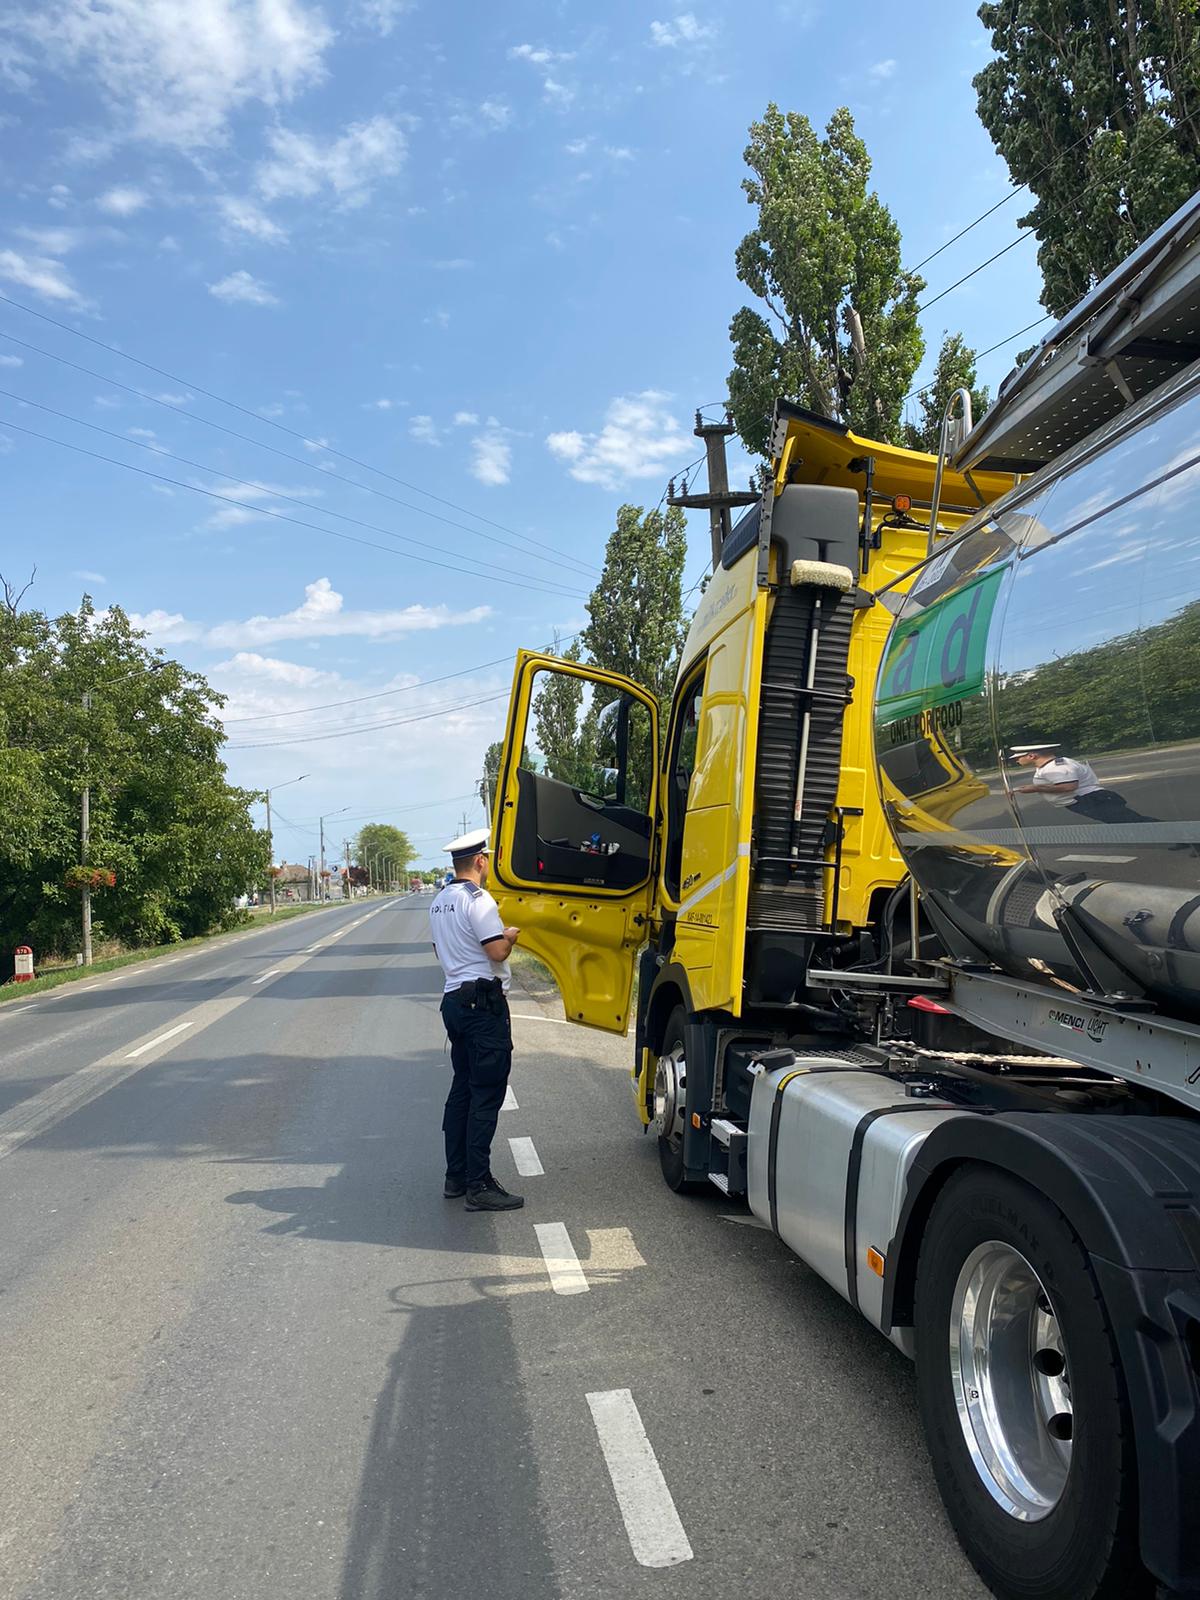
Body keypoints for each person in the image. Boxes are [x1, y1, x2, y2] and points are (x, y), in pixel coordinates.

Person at [429, 829, 524, 1212]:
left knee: (463, 1089)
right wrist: (510, 936)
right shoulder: (479, 900)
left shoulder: (439, 901)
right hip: (482, 1007)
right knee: (486, 1094)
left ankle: (456, 1175)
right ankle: (479, 1184)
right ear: (481, 861)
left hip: (454, 1001)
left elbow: (439, 950)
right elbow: (496, 952)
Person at [1010, 743, 1152, 823]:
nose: (1016, 760)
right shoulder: (1050, 766)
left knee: (1133, 822)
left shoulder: (1056, 767)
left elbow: (1068, 786)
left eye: (1019, 757)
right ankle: (1162, 835)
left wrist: (1035, 788)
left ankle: (1164, 834)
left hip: (1090, 799)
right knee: (1129, 822)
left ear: (1032, 755)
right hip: (1087, 799)